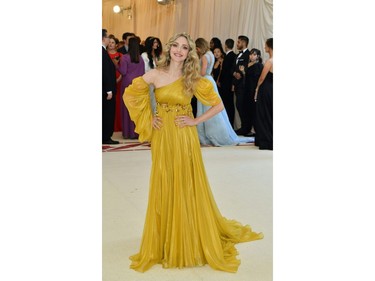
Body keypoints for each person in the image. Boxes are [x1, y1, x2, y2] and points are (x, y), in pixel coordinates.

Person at [123, 32, 263, 273]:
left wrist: (195, 121)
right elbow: (132, 93)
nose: (179, 50)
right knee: (164, 181)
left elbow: (218, 104)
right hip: (162, 136)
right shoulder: (155, 73)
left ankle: (186, 233)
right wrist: (149, 119)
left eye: (184, 47)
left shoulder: (191, 78)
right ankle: (166, 235)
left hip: (183, 135)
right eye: (175, 45)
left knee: (185, 181)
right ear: (169, 49)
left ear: (189, 53)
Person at [195, 37, 251, 146]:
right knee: (213, 107)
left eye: (197, 48)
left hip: (204, 81)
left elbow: (202, 72)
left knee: (206, 107)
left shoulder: (204, 57)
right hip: (209, 80)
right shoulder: (210, 54)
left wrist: (192, 74)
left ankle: (210, 135)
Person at [118, 37, 145, 139]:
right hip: (137, 85)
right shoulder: (140, 58)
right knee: (137, 109)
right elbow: (143, 73)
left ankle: (128, 133)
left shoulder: (124, 57)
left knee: (126, 108)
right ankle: (136, 132)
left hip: (127, 84)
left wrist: (116, 65)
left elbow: (123, 71)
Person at [239, 48, 263, 137]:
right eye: (251, 54)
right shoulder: (248, 64)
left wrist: (256, 90)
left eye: (254, 54)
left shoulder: (258, 65)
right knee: (246, 110)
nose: (251, 56)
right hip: (246, 89)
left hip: (252, 90)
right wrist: (243, 72)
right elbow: (247, 77)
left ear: (258, 56)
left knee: (253, 110)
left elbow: (256, 79)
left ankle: (254, 130)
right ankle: (247, 128)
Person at [254, 38, 273, 150]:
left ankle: (266, 140)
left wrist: (257, 89)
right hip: (273, 89)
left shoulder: (269, 61)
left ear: (270, 47)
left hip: (266, 90)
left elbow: (261, 78)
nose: (264, 47)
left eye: (266, 45)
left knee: (264, 114)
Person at [102, 29, 119, 144]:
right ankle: (105, 136)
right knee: (107, 113)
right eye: (107, 37)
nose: (109, 39)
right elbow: (105, 72)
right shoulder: (101, 52)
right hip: (105, 90)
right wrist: (109, 90)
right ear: (103, 38)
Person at [233, 35, 251, 136]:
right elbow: (233, 67)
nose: (237, 44)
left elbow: (248, 67)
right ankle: (243, 127)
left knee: (242, 106)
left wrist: (241, 73)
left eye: (239, 42)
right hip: (236, 84)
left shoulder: (249, 54)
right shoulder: (237, 55)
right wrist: (234, 73)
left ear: (244, 43)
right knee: (238, 106)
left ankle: (246, 128)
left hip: (244, 85)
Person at [141, 36, 163, 113]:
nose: (156, 44)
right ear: (150, 44)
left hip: (159, 82)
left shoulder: (159, 56)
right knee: (151, 103)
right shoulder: (144, 55)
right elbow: (145, 70)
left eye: (157, 42)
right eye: (154, 42)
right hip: (150, 83)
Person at [107, 35, 123, 132]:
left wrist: (119, 78)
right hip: (108, 81)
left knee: (118, 103)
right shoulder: (104, 54)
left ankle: (119, 125)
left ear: (116, 45)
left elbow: (123, 69)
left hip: (120, 81)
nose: (110, 44)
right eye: (109, 42)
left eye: (113, 42)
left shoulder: (121, 55)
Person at [219, 38, 237, 127]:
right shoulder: (235, 55)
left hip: (226, 84)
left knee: (227, 104)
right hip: (231, 83)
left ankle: (227, 123)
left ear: (225, 45)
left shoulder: (227, 57)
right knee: (230, 104)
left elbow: (225, 71)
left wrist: (220, 81)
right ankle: (230, 123)